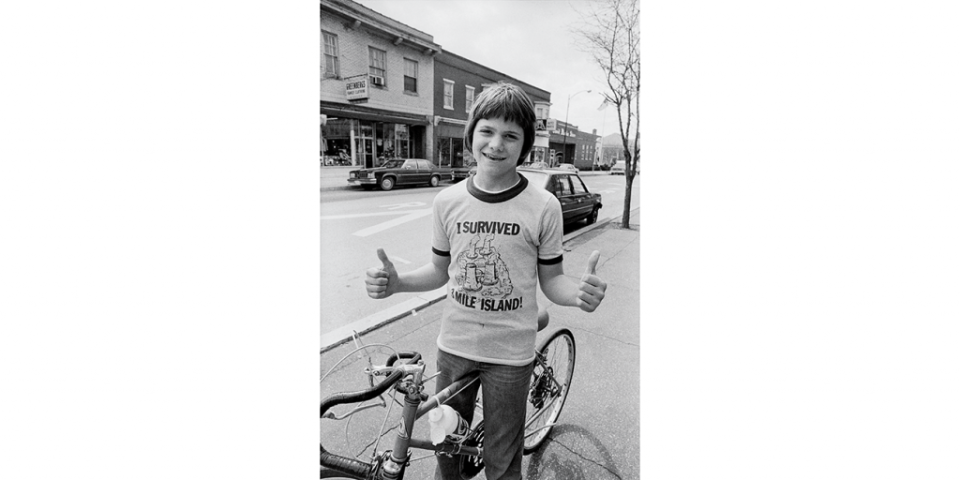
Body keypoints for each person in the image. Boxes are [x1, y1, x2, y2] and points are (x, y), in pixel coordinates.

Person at [365, 82, 607, 480]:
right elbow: (439, 272)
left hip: (510, 356)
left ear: (525, 145)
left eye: (510, 135)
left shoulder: (543, 206)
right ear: (471, 135)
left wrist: (578, 295)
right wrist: (397, 284)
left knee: (502, 459)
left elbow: (553, 282)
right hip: (455, 347)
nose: (497, 143)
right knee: (447, 450)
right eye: (488, 131)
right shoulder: (448, 201)